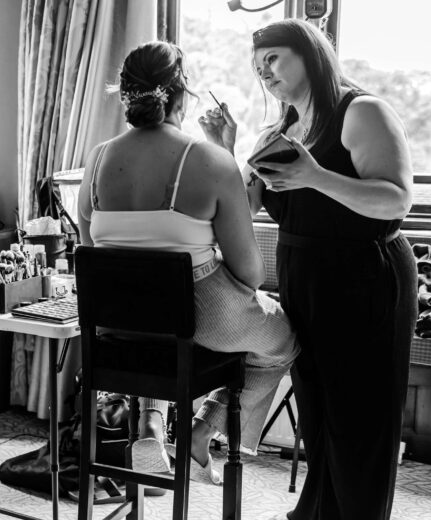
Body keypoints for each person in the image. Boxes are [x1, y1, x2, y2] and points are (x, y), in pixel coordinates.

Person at [198, 19, 417, 520]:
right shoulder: (281, 127)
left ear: (312, 55)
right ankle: (313, 512)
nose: (264, 71)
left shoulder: (362, 112)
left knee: (360, 412)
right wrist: (227, 150)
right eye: (258, 65)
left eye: (273, 58)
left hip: (365, 275)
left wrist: (317, 176)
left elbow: (396, 201)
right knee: (317, 403)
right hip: (305, 275)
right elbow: (247, 206)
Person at [78, 41, 299, 485]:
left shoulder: (97, 158)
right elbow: (250, 274)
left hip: (120, 327)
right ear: (182, 94)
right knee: (283, 341)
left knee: (157, 322)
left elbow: (92, 248)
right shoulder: (209, 161)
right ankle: (201, 430)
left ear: (126, 96)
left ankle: (151, 423)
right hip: (200, 314)